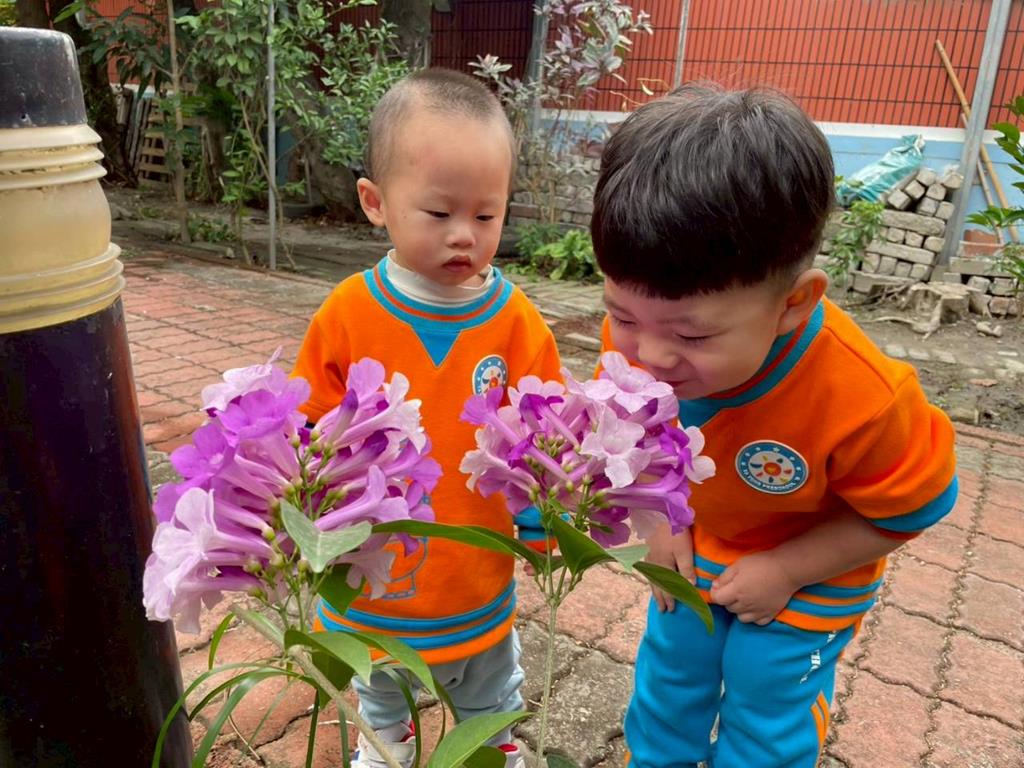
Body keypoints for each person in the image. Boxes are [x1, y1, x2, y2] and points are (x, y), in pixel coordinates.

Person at [591, 83, 958, 768]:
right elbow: (633, 444)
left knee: (765, 693)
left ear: (794, 304)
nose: (649, 357)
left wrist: (787, 569)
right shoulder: (639, 346)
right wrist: (657, 524)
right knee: (671, 674)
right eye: (623, 315)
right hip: (697, 549)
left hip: (813, 573)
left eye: (692, 336)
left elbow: (914, 509)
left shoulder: (861, 397)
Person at [292, 68, 561, 768]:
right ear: (375, 202)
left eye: (487, 215)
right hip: (372, 592)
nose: (464, 236)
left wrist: (542, 522)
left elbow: (545, 437)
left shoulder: (516, 321)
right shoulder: (349, 313)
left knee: (491, 717)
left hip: (477, 585)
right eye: (439, 214)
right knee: (382, 726)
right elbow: (303, 431)